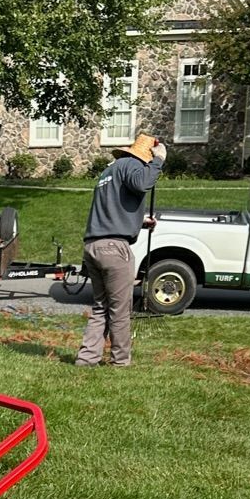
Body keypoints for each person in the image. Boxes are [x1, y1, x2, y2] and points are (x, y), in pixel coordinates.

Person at [74, 131, 166, 368]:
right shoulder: (132, 165)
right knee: (120, 309)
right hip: (115, 250)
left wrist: (139, 222)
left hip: (93, 246)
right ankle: (121, 361)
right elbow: (143, 183)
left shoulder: (109, 171)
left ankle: (87, 358)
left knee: (100, 307)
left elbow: (112, 209)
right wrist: (158, 161)